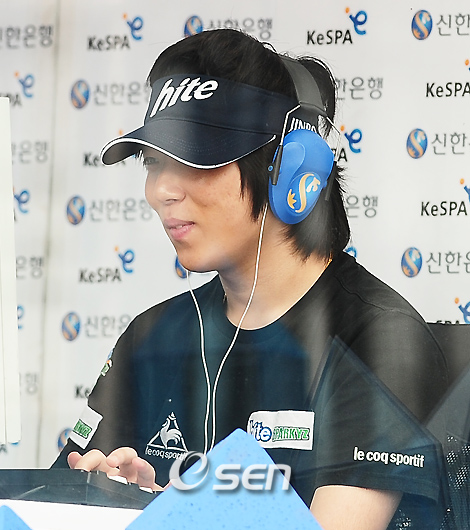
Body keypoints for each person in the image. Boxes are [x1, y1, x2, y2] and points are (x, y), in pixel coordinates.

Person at [53, 29, 449, 529]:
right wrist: (125, 501)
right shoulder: (149, 338)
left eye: (194, 158)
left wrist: (171, 516)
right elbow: (49, 503)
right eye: (154, 162)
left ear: (290, 171)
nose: (161, 190)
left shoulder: (378, 339)